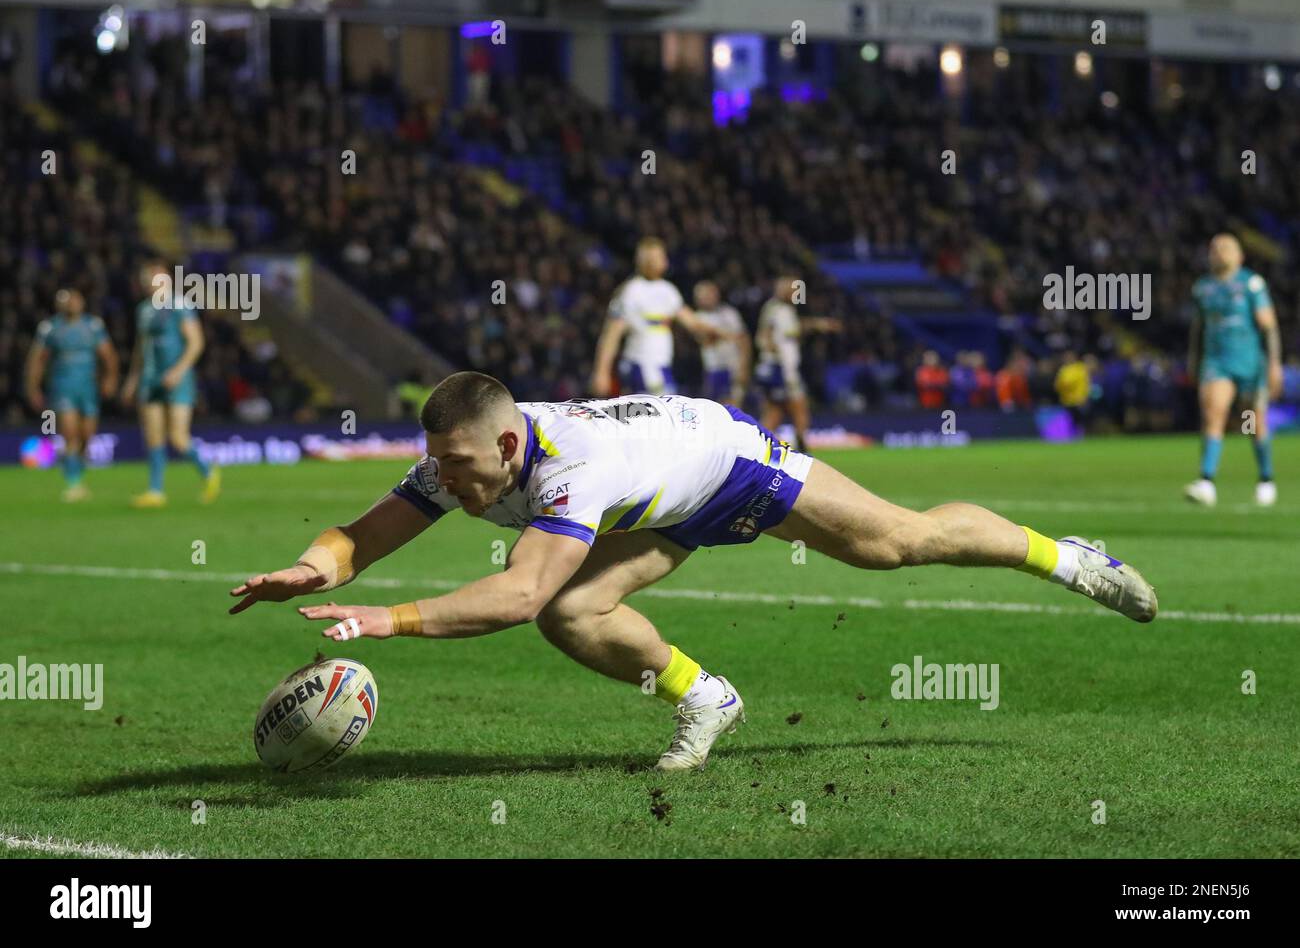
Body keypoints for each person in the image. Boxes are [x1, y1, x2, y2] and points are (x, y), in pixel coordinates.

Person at [229, 372, 1159, 772]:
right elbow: (363, 533)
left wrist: (382, 622)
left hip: (719, 463)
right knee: (578, 614)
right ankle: (704, 694)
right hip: (651, 499)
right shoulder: (461, 460)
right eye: (442, 467)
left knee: (896, 544)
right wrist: (315, 569)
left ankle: (1066, 557)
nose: (450, 483)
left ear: (508, 443)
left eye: (463, 469)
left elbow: (517, 593)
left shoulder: (569, 471)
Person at [1184, 233, 1284, 507]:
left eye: (1226, 248)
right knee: (1213, 414)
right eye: (1214, 248)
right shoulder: (1203, 288)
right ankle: (1206, 481)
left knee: (1252, 423)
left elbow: (1269, 327)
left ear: (1239, 255)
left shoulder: (1251, 284)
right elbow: (1199, 328)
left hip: (1250, 366)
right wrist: (1193, 359)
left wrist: (1274, 364)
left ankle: (1265, 478)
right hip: (1218, 364)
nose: (1219, 252)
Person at [121, 262, 221, 507]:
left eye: (155, 278)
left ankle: (208, 472)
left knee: (177, 437)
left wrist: (178, 371)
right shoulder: (143, 310)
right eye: (147, 278)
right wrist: (132, 380)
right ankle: (156, 491)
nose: (150, 283)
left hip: (178, 380)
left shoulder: (180, 305)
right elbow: (140, 349)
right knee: (153, 437)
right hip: (150, 379)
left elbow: (196, 342)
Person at [590, 236, 718, 397]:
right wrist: (602, 371)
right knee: (661, 409)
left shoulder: (667, 290)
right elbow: (612, 334)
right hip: (642, 364)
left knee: (648, 415)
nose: (664, 261)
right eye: (659, 257)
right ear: (645, 261)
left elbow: (692, 322)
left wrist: (722, 334)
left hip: (660, 364)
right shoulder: (631, 291)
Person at [24, 288, 118, 501]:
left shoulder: (92, 326)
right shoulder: (51, 328)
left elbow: (108, 356)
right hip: (62, 387)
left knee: (87, 436)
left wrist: (110, 379)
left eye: (75, 300)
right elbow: (37, 360)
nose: (71, 304)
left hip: (88, 388)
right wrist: (33, 387)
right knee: (70, 433)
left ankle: (76, 473)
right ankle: (73, 483)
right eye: (66, 301)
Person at [753, 276, 842, 451]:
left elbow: (792, 329)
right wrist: (774, 355)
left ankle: (765, 444)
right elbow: (766, 335)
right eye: (793, 290)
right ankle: (800, 443)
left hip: (780, 368)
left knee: (777, 409)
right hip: (781, 369)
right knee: (794, 406)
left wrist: (820, 324)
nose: (797, 294)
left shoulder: (783, 310)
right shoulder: (775, 309)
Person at [692, 280, 750, 406]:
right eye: (703, 295)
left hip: (733, 366)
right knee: (714, 407)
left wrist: (744, 365)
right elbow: (705, 340)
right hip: (713, 368)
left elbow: (743, 339)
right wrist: (723, 334)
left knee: (734, 407)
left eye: (711, 293)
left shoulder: (729, 313)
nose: (708, 297)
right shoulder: (697, 317)